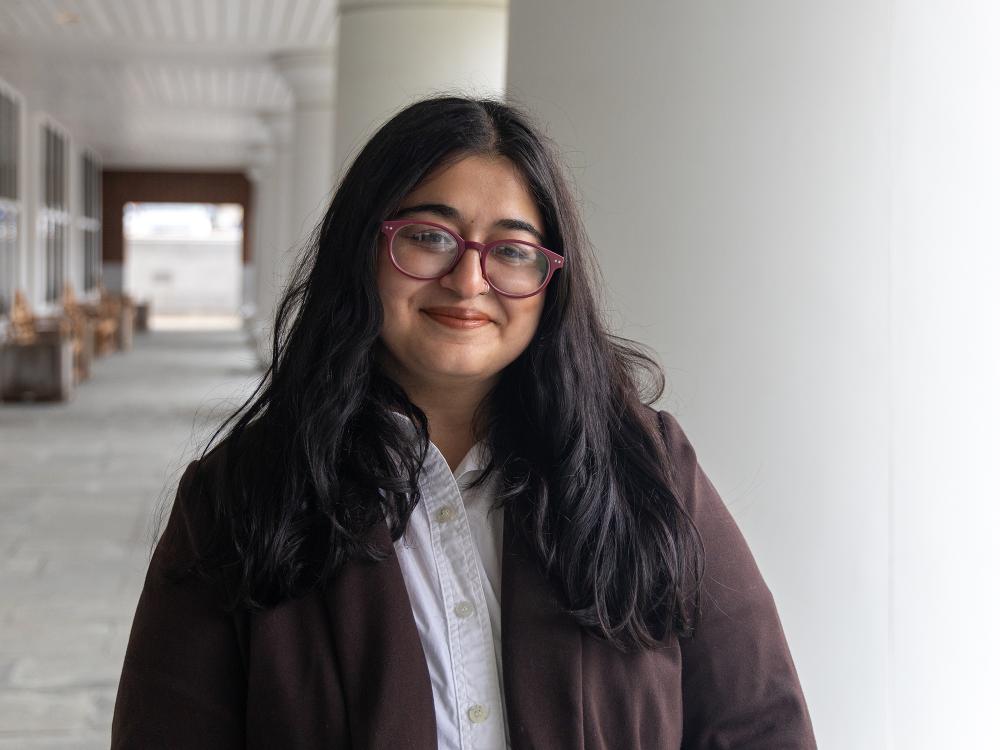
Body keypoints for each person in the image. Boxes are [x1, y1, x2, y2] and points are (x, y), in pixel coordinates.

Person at [111, 96, 816, 749]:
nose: (469, 280)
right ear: (365, 250)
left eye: (511, 250)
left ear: (549, 284)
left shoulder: (644, 468)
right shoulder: (240, 495)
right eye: (428, 236)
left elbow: (758, 725)